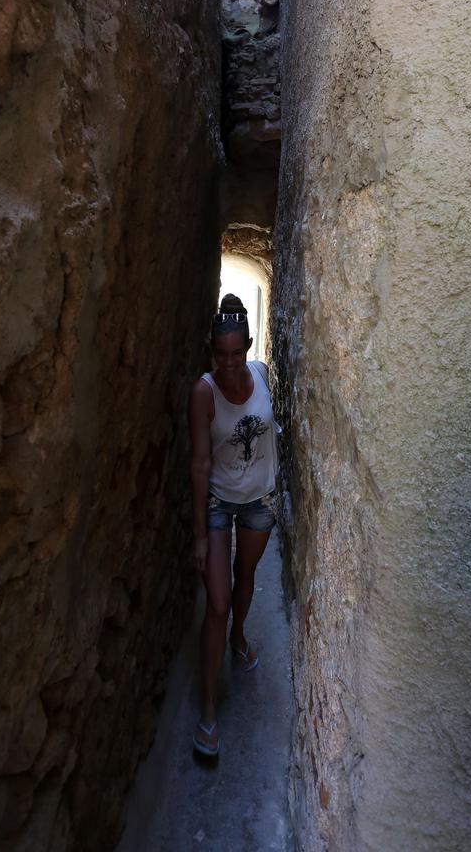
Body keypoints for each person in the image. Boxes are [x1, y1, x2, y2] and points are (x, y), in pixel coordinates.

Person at [188, 292, 280, 757]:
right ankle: (208, 710)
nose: (227, 363)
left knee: (245, 579)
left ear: (246, 345)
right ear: (212, 350)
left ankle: (240, 639)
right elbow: (200, 464)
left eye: (235, 352)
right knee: (216, 604)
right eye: (219, 354)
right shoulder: (203, 392)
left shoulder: (262, 374)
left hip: (259, 502)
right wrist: (201, 534)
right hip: (221, 504)